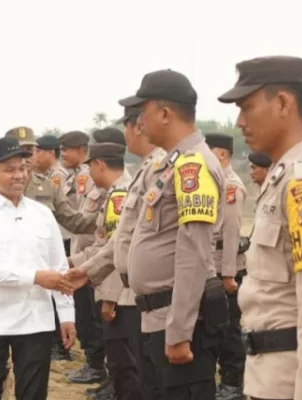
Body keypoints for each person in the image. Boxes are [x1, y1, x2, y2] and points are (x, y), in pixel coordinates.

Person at [218, 56, 302, 400]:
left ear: (282, 103)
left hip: (293, 381)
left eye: (247, 107)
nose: (240, 121)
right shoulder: (282, 177)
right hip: (270, 374)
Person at [118, 68, 227, 400]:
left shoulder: (194, 166)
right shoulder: (171, 164)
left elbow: (194, 254)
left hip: (178, 322)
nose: (139, 122)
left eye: (143, 112)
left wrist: (179, 331)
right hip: (157, 318)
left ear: (165, 113)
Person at [0, 136, 77, 400]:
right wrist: (36, 277)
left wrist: (66, 314)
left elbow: (58, 267)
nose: (19, 175)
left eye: (23, 168)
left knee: (33, 393)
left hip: (35, 319)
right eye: (9, 169)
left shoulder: (42, 214)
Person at [67, 105, 165, 400]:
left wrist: (110, 297)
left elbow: (120, 248)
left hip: (124, 297)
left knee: (128, 364)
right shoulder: (128, 186)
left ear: (99, 164)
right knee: (125, 364)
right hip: (118, 290)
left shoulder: (122, 193)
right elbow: (108, 245)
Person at [5, 126, 97, 363]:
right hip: (8, 276)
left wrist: (109, 214)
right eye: (21, 150)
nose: (27, 156)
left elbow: (75, 221)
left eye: (31, 150)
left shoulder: (47, 187)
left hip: (40, 274)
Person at [59, 130, 107, 384]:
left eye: (66, 149)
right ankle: (93, 362)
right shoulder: (77, 177)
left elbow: (89, 222)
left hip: (96, 258)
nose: (62, 154)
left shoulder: (93, 178)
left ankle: (97, 365)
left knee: (96, 317)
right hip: (83, 255)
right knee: (86, 315)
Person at [205, 133, 248, 400]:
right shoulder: (216, 182)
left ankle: (234, 382)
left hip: (225, 267)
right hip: (214, 264)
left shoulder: (231, 186)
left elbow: (231, 232)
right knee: (216, 326)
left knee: (229, 328)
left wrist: (229, 274)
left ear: (222, 154)